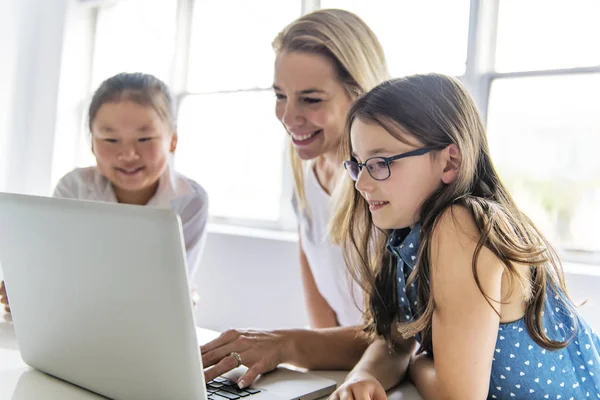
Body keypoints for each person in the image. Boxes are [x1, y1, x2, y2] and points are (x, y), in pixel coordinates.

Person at [328, 73, 600, 399]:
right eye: (359, 164)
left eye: (381, 162)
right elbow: (396, 342)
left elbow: (456, 397)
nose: (361, 183)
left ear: (450, 162)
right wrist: (362, 376)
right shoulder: (407, 234)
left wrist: (418, 363)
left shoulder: (461, 226)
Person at [200, 9, 416, 390]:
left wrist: (285, 344)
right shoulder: (306, 166)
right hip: (350, 377)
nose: (288, 116)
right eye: (280, 96)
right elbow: (325, 322)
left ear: (361, 95)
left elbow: (400, 337)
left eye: (311, 100)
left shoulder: (387, 186)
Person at [0, 72, 209, 315]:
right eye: (110, 139)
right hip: (75, 317)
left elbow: (172, 293)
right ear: (92, 143)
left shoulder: (190, 199)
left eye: (144, 138)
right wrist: (30, 287)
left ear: (172, 141)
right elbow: (54, 266)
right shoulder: (74, 187)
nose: (128, 154)